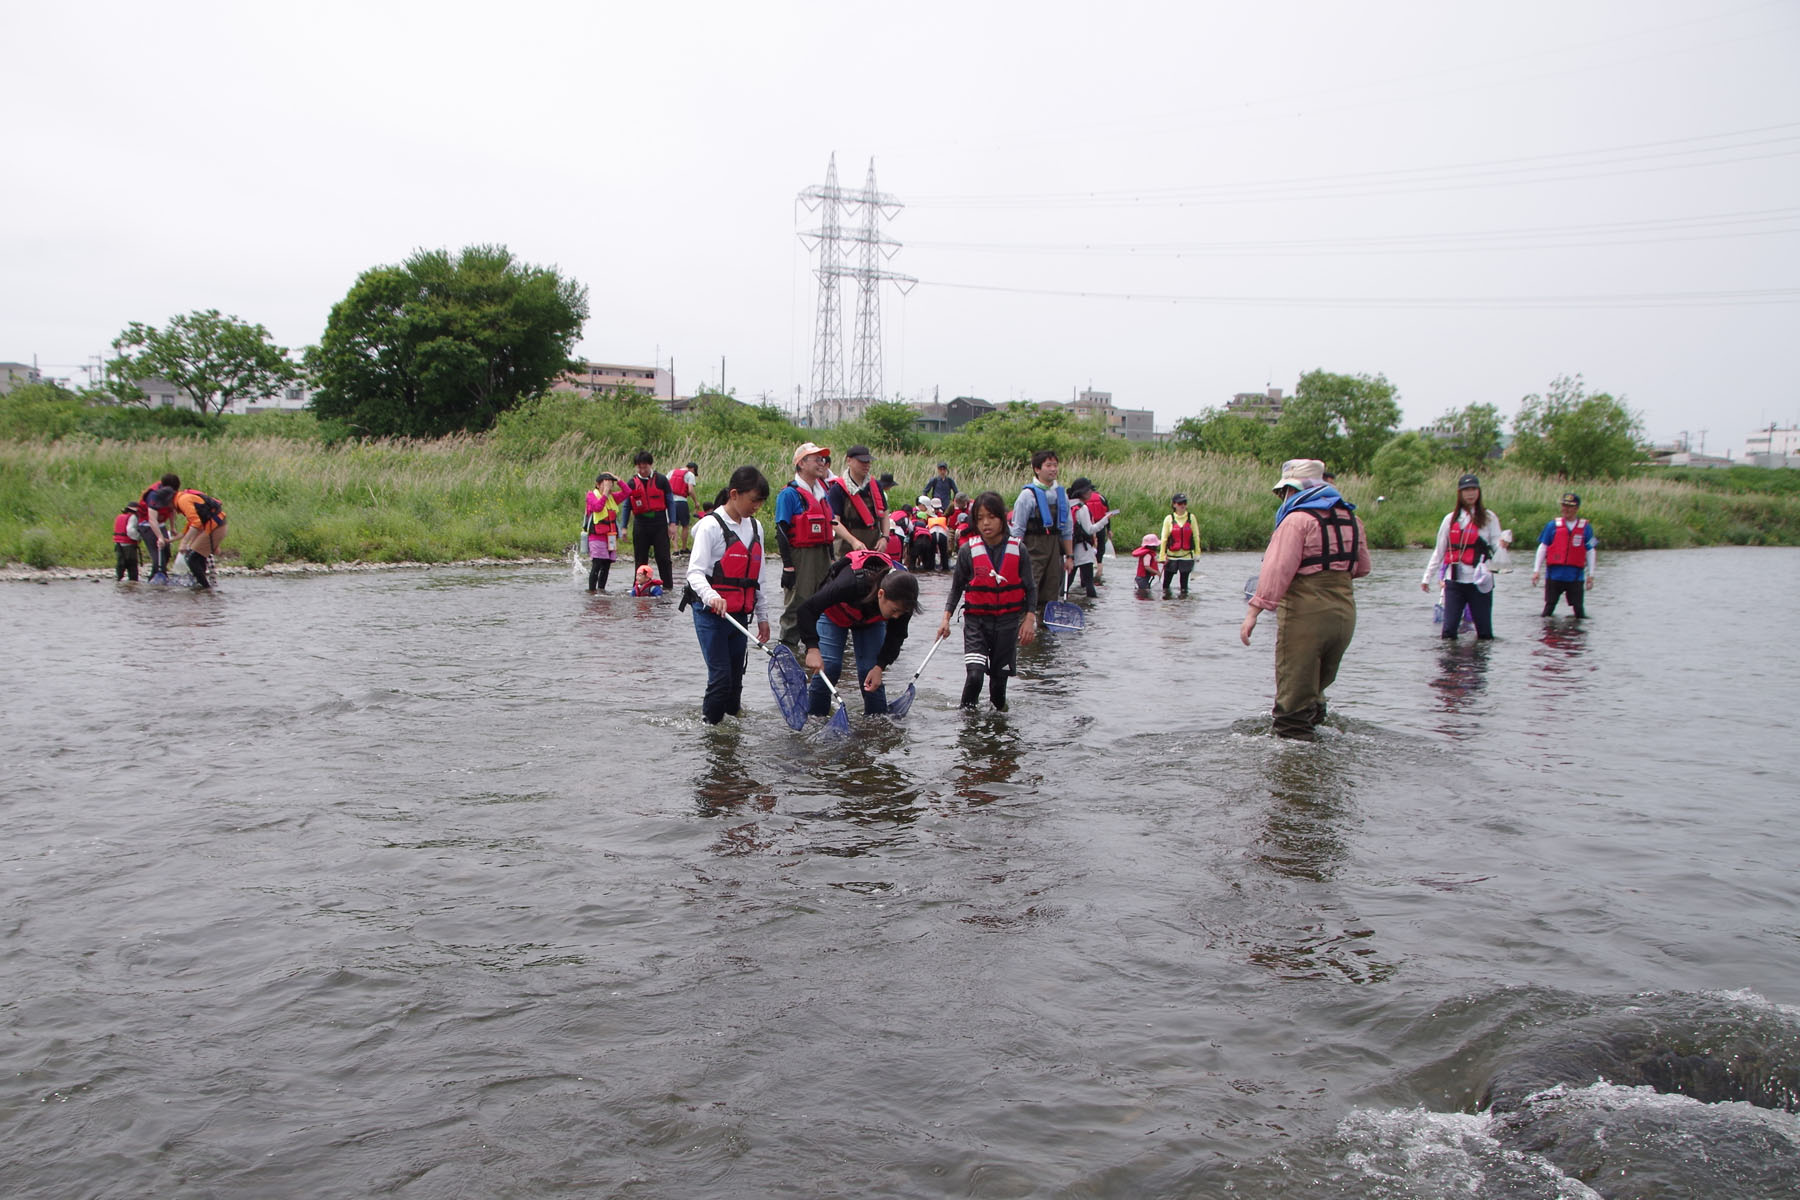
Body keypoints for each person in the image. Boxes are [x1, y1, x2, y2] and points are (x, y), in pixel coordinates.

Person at [1240, 459, 1372, 740]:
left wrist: (1253, 613)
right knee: (1316, 690)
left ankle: (1294, 767)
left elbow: (1276, 571)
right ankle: (1319, 757)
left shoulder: (1296, 521)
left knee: (1293, 699)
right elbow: (1362, 567)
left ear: (1291, 490)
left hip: (1305, 613)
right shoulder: (1352, 519)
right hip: (1345, 613)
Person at [683, 466, 772, 725]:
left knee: (735, 681)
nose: (756, 507)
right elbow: (695, 573)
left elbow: (760, 577)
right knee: (721, 678)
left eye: (760, 502)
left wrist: (763, 617)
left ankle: (732, 734)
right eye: (753, 500)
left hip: (740, 614)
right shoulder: (710, 526)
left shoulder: (756, 528)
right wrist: (712, 596)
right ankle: (709, 730)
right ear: (734, 494)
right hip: (711, 614)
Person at [938, 491, 1037, 710]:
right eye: (980, 518)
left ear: (1002, 518)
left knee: (998, 687)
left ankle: (997, 731)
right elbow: (956, 589)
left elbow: (1030, 588)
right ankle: (967, 724)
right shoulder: (967, 551)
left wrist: (1029, 619)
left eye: (991, 517)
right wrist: (946, 619)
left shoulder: (1018, 550)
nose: (985, 523)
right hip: (976, 623)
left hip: (1007, 624)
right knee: (975, 676)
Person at [795, 548, 918, 717]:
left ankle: (877, 724)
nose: (896, 616)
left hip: (869, 621)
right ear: (881, 594)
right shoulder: (849, 583)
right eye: (895, 610)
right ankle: (815, 718)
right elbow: (806, 610)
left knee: (869, 670)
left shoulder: (905, 599)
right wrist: (812, 648)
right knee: (829, 666)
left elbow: (896, 637)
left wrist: (880, 666)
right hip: (834, 614)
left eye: (901, 613)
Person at [1421, 472, 1505, 640]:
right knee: (1448, 632)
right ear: (1460, 493)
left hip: (1480, 581)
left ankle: (1480, 664)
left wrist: (1503, 546)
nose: (1470, 493)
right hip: (1455, 582)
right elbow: (1439, 551)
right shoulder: (1450, 520)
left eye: (1474, 489)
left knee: (1485, 633)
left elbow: (1497, 545)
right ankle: (1450, 664)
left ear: (1479, 491)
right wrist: (1426, 577)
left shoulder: (1489, 518)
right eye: (1466, 490)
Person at [774, 441, 836, 652]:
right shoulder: (789, 494)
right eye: (816, 459)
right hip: (800, 556)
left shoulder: (822, 492)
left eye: (823, 459)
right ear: (801, 463)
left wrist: (832, 559)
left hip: (822, 555)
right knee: (797, 604)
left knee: (823, 601)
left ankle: (813, 650)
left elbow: (829, 528)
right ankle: (787, 651)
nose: (822, 462)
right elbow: (781, 530)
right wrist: (788, 566)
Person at [1009, 449, 1074, 616]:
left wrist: (1070, 557)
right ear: (1037, 469)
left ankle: (1046, 633)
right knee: (1030, 587)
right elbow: (1018, 530)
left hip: (1054, 548)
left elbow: (1067, 529)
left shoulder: (1062, 495)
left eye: (1055, 465)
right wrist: (1015, 557)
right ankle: (1022, 627)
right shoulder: (1027, 496)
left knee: (1051, 589)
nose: (1053, 469)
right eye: (1048, 465)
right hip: (1032, 548)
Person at [1532, 491, 1597, 618]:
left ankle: (1577, 635)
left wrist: (1591, 575)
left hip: (1575, 576)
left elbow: (1591, 551)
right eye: (1564, 506)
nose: (1565, 509)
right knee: (1548, 609)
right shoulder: (1552, 526)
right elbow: (1542, 548)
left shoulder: (1586, 528)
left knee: (1579, 611)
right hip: (1554, 575)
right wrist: (1536, 571)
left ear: (1576, 508)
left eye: (1569, 506)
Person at [623, 450, 675, 597]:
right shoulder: (632, 483)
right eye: (639, 467)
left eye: (645, 467)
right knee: (640, 558)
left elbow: (670, 502)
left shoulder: (661, 480)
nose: (642, 470)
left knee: (664, 558)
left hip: (659, 522)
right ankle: (637, 590)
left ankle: (668, 588)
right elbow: (627, 506)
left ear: (650, 465)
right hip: (640, 524)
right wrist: (624, 527)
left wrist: (672, 523)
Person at [827, 444, 888, 557]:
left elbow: (884, 514)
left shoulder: (875, 486)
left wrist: (885, 538)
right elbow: (835, 522)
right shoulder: (838, 488)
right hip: (846, 548)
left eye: (868, 462)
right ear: (849, 461)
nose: (866, 465)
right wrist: (853, 541)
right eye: (862, 461)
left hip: (873, 547)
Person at [173, 487, 227, 589]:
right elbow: (191, 524)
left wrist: (184, 543)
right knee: (198, 558)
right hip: (217, 524)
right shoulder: (183, 498)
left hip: (215, 526)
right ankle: (202, 586)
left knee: (192, 559)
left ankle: (205, 588)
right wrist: (171, 540)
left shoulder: (182, 501)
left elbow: (196, 523)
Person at [1065, 477, 1110, 598]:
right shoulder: (1082, 508)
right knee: (1089, 583)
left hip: (1070, 550)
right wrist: (1105, 520)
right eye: (1090, 490)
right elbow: (1089, 529)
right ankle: (1091, 609)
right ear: (1083, 492)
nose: (1091, 493)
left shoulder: (1067, 505)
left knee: (1066, 583)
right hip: (1083, 551)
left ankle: (1059, 602)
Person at [583, 472, 625, 592]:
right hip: (596, 536)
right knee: (597, 564)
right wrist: (605, 493)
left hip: (610, 537)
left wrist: (618, 479)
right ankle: (591, 591)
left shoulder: (612, 498)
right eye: (605, 484)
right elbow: (597, 507)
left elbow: (627, 492)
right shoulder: (591, 495)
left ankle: (601, 590)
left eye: (611, 484)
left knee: (606, 565)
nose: (608, 486)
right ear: (598, 484)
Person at [135, 473, 179, 583]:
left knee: (167, 553)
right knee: (158, 558)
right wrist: (160, 537)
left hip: (161, 524)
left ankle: (155, 579)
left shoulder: (172, 493)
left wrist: (172, 527)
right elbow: (152, 519)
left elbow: (172, 509)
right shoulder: (153, 495)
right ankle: (156, 584)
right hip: (147, 525)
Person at [1158, 493, 1200, 597]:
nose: (1183, 505)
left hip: (1187, 556)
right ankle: (1167, 603)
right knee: (1166, 584)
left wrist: (1197, 553)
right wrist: (1162, 556)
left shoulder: (1191, 517)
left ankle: (1183, 605)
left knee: (1184, 586)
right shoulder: (1169, 518)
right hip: (1171, 557)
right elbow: (1164, 539)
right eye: (1180, 503)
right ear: (1174, 505)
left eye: (1185, 503)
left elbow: (1196, 536)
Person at [667, 461, 698, 554]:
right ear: (693, 469)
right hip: (682, 502)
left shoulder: (671, 472)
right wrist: (696, 502)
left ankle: (675, 549)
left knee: (673, 525)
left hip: (671, 502)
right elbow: (690, 490)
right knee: (685, 525)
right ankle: (684, 548)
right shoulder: (690, 474)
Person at [112, 504, 140, 581]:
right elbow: (130, 530)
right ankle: (133, 581)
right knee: (132, 564)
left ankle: (119, 579)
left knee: (120, 563)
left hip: (118, 543)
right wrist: (138, 537)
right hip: (128, 544)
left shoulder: (120, 516)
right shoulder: (133, 517)